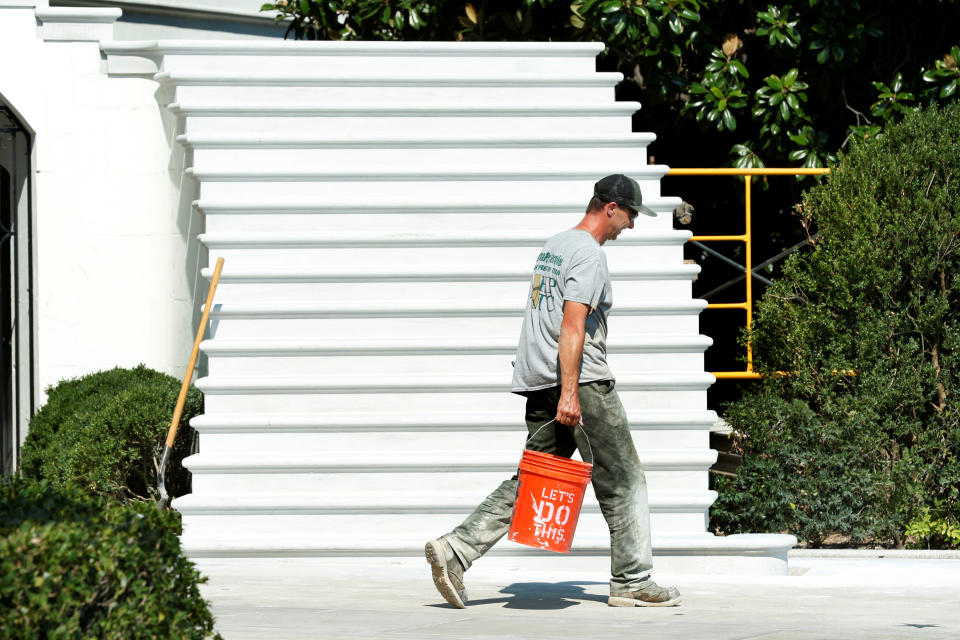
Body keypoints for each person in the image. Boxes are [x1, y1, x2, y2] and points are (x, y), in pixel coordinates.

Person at [425, 174, 681, 608]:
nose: (632, 226)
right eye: (631, 215)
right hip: (580, 384)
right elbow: (572, 324)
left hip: (539, 378)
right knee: (624, 480)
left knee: (535, 478)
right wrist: (570, 393)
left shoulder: (555, 246)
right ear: (610, 208)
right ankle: (633, 581)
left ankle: (456, 550)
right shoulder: (589, 255)